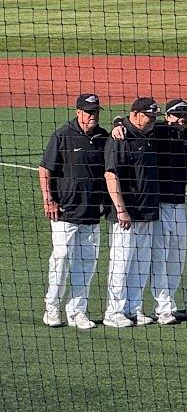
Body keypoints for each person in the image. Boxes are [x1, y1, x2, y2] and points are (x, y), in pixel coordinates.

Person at [39, 92, 109, 329]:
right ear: (78, 111)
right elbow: (45, 169)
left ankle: (77, 311)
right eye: (89, 111)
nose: (93, 116)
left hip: (91, 214)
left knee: (86, 265)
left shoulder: (103, 136)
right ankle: (52, 307)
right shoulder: (63, 134)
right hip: (65, 213)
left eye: (96, 111)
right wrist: (49, 199)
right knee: (60, 260)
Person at [101, 98, 161, 328]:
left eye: (154, 116)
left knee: (141, 262)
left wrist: (118, 120)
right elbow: (110, 175)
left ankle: (133, 308)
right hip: (126, 213)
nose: (153, 120)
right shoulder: (120, 138)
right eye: (149, 116)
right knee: (121, 262)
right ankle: (113, 312)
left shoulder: (150, 134)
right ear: (135, 114)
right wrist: (121, 209)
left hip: (147, 211)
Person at [149, 99, 187, 324]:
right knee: (160, 257)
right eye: (177, 115)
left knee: (178, 256)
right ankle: (163, 308)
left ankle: (171, 303)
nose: (181, 119)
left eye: (184, 116)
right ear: (167, 116)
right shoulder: (158, 131)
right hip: (160, 205)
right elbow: (133, 124)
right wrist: (119, 122)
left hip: (179, 205)